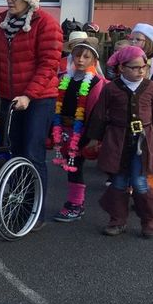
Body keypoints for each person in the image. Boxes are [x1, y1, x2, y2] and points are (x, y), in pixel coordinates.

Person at [0, 0, 63, 211]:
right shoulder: (2, 25)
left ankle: (33, 210)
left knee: (32, 153)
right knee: (13, 151)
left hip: (39, 99)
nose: (9, 0)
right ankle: (17, 203)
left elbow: (48, 65)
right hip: (11, 97)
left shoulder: (47, 24)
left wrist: (29, 95)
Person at [85, 45, 153, 238]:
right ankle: (117, 220)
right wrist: (94, 138)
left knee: (140, 182)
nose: (140, 71)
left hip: (144, 142)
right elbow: (100, 114)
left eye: (144, 67)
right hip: (117, 141)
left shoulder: (152, 87)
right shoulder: (111, 88)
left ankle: (149, 219)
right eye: (135, 67)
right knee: (118, 181)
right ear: (122, 68)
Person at [49, 32, 105, 223]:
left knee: (75, 166)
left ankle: (76, 204)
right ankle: (74, 203)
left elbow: (95, 113)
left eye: (86, 57)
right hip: (64, 129)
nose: (80, 60)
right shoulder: (65, 78)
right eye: (77, 55)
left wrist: (89, 137)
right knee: (69, 166)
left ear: (94, 60)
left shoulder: (96, 83)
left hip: (81, 132)